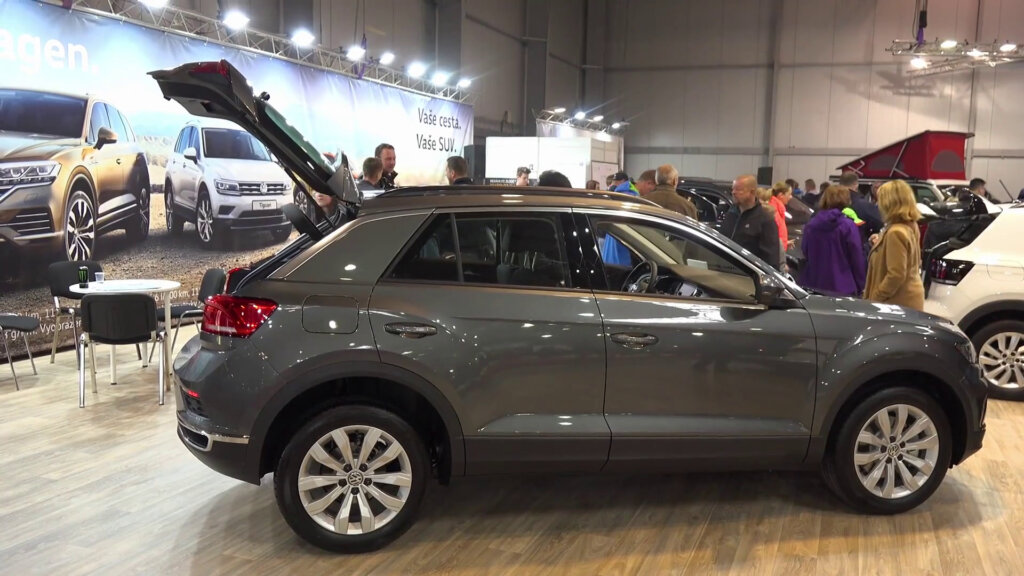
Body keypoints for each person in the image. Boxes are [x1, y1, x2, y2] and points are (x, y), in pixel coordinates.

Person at [864, 180, 925, 310]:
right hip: (909, 298)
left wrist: (876, 297)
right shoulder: (910, 225)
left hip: (896, 302)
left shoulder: (895, 233)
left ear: (889, 203)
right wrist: (881, 241)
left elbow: (896, 275)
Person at [799, 185, 866, 297]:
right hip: (842, 287)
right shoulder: (848, 226)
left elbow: (805, 251)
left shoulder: (811, 225)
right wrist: (861, 285)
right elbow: (856, 257)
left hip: (813, 285)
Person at [722, 174, 781, 268]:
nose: (733, 192)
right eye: (733, 189)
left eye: (738, 190)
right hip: (726, 270)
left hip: (748, 273)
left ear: (752, 192)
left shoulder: (765, 220)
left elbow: (771, 259)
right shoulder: (731, 214)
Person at [839, 171, 883, 249]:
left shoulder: (828, 202)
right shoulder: (863, 205)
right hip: (856, 249)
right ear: (856, 185)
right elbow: (880, 223)